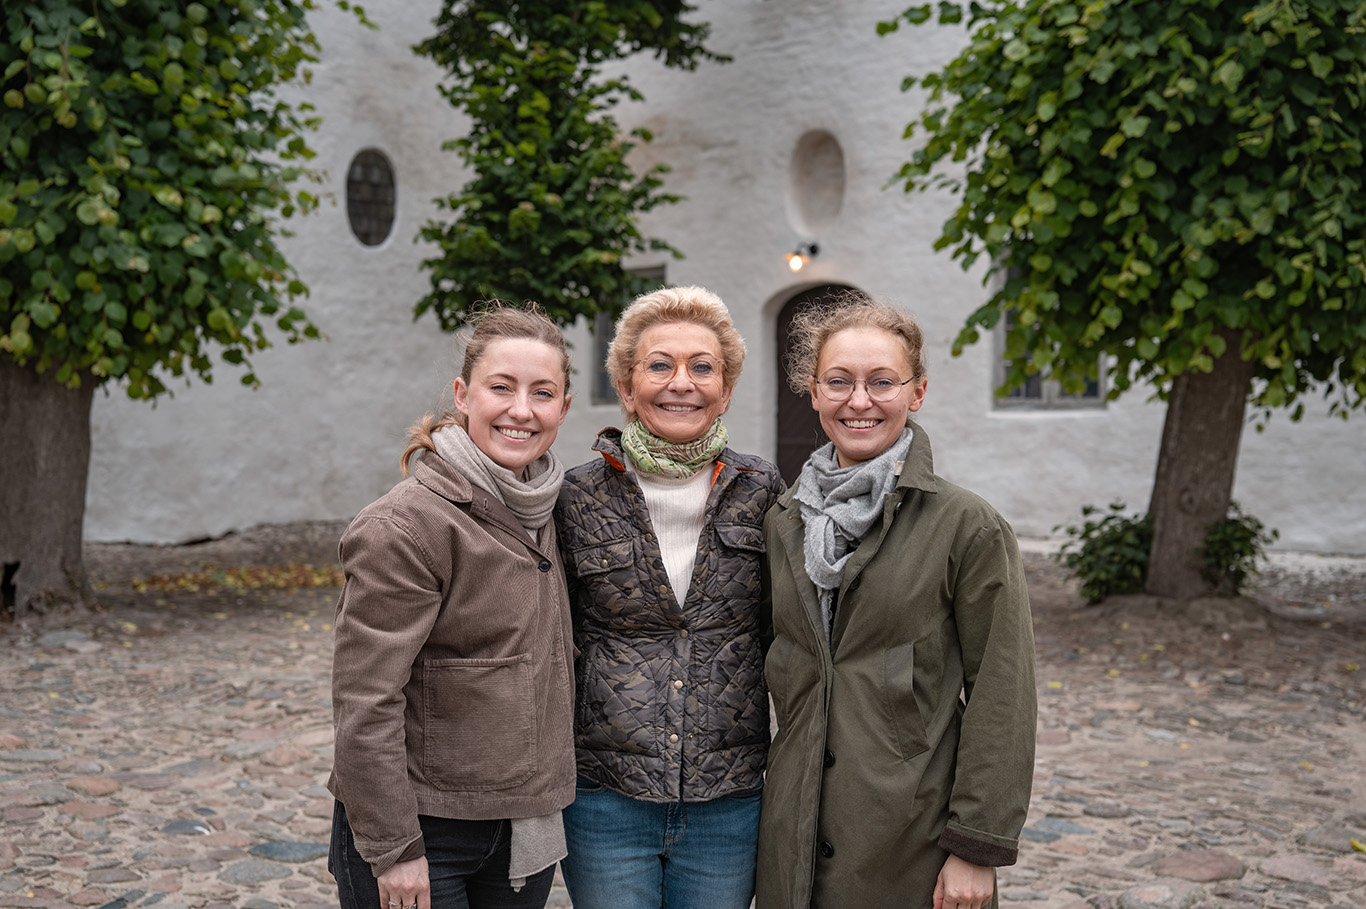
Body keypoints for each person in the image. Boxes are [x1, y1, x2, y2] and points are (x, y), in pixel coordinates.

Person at [756, 294, 1037, 909]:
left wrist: (976, 846)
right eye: (839, 381)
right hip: (793, 842)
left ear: (917, 393)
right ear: (814, 392)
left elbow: (1004, 692)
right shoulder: (783, 520)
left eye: (882, 382)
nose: (859, 401)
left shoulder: (967, 526)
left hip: (911, 844)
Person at [326, 304, 576, 909]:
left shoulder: (551, 509)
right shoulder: (406, 526)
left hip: (523, 827)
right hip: (425, 831)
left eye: (542, 393)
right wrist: (394, 848)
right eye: (501, 387)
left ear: (564, 409)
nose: (522, 410)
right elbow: (366, 700)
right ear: (463, 396)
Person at [555, 285, 785, 909]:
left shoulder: (762, 490)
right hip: (604, 799)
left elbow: (787, 630)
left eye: (702, 367)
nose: (681, 383)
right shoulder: (576, 497)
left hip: (727, 802)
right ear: (626, 388)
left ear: (726, 390)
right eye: (660, 365)